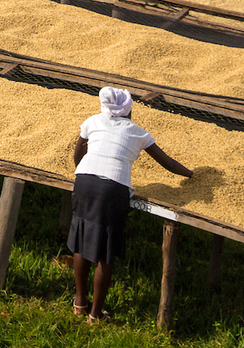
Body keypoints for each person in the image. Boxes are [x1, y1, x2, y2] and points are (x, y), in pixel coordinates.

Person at [69, 87, 192, 323]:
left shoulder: (92, 122)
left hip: (83, 181)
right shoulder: (137, 133)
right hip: (112, 189)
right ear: (129, 111)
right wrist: (191, 174)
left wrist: (84, 174)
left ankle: (79, 303)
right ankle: (95, 316)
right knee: (105, 253)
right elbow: (168, 163)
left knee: (81, 240)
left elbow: (78, 155)